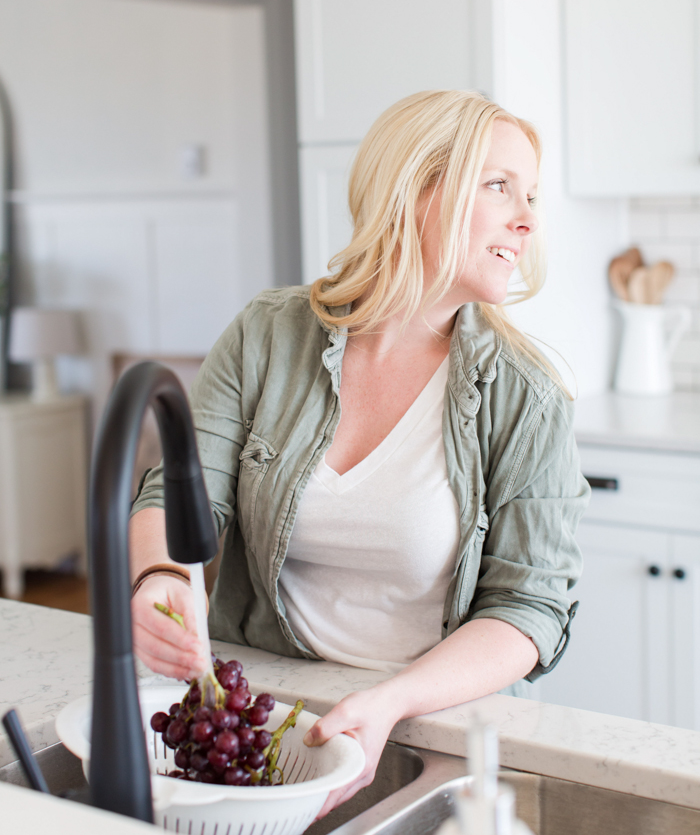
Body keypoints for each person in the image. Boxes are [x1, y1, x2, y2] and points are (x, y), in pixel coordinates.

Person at [129, 89, 589, 816]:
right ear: (414, 190)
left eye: (529, 194)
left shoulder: (526, 395)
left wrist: (391, 702)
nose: (527, 219)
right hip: (261, 716)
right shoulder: (267, 334)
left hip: (425, 729)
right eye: (499, 186)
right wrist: (156, 579)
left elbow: (530, 608)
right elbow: (180, 492)